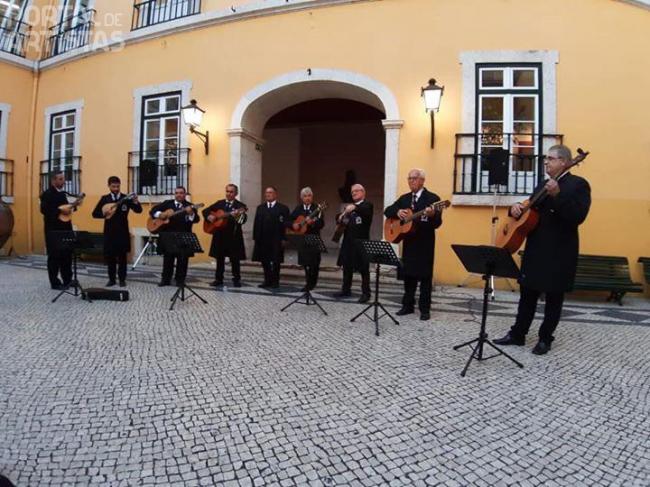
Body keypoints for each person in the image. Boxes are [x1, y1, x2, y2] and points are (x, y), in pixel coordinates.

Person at [494, 144, 591, 355]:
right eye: (546, 158)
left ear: (564, 162)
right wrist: (515, 208)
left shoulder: (578, 184)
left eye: (551, 158)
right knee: (527, 295)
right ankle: (517, 334)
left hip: (559, 251)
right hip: (535, 248)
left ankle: (545, 339)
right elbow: (529, 210)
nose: (546, 161)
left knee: (553, 298)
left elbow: (578, 216)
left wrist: (557, 196)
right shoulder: (542, 185)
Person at [384, 169, 443, 321]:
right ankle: (407, 305)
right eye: (409, 178)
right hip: (409, 243)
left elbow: (437, 223)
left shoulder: (433, 199)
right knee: (408, 275)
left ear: (422, 180)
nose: (411, 181)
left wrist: (432, 215)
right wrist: (397, 212)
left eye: (414, 178)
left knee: (425, 277)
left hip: (425, 243)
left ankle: (425, 309)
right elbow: (387, 210)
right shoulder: (404, 198)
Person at [92, 176, 142, 287]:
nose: (116, 189)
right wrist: (105, 214)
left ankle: (122, 279)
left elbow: (138, 210)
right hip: (109, 232)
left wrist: (136, 201)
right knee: (111, 258)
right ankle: (111, 279)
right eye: (113, 186)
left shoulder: (126, 198)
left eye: (118, 186)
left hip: (122, 232)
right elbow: (95, 214)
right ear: (109, 186)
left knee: (122, 257)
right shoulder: (105, 199)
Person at [149, 186, 200, 286]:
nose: (178, 195)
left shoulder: (190, 206)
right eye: (177, 193)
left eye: (181, 193)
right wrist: (160, 215)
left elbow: (196, 219)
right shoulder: (167, 203)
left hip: (183, 236)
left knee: (182, 260)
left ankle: (180, 280)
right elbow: (153, 211)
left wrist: (191, 214)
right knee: (168, 259)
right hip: (168, 236)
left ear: (185, 194)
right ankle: (165, 279)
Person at [202, 184, 247, 288]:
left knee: (235, 260)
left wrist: (238, 216)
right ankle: (218, 279)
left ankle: (236, 279)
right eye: (227, 191)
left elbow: (242, 221)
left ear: (236, 193)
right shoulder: (219, 203)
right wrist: (209, 216)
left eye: (231, 192)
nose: (229, 193)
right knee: (219, 259)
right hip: (219, 236)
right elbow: (205, 211)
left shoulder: (240, 206)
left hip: (233, 236)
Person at [335, 184, 373, 303]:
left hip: (361, 241)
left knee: (363, 269)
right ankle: (346, 289)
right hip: (348, 241)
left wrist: (354, 207)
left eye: (356, 191)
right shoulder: (349, 208)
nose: (354, 193)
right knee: (347, 267)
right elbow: (341, 219)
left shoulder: (367, 205)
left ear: (363, 192)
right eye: (352, 192)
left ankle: (366, 293)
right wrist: (340, 216)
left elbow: (364, 211)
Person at [40, 171, 73, 289]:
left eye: (63, 179)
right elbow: (44, 210)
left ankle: (67, 280)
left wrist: (73, 206)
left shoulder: (62, 194)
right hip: (53, 230)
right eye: (60, 179)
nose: (63, 181)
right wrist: (60, 210)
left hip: (65, 229)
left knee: (66, 256)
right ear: (53, 180)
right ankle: (54, 282)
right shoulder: (47, 194)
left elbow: (66, 210)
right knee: (54, 257)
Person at [252, 186, 290, 289]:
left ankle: (275, 281)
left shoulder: (283, 208)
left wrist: (285, 238)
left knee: (276, 261)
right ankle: (267, 280)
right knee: (265, 261)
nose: (268, 194)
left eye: (270, 192)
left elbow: (286, 224)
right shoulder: (260, 208)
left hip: (277, 239)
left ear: (275, 194)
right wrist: (256, 237)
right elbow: (256, 223)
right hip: (263, 239)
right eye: (266, 193)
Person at [289, 187, 325, 291]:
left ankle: (312, 283)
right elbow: (290, 220)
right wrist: (293, 225)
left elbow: (321, 223)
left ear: (312, 197)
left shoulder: (317, 208)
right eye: (305, 196)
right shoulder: (298, 208)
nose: (307, 198)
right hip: (302, 239)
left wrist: (313, 223)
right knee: (305, 263)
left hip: (313, 238)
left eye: (309, 196)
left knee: (314, 263)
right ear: (302, 198)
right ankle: (308, 282)